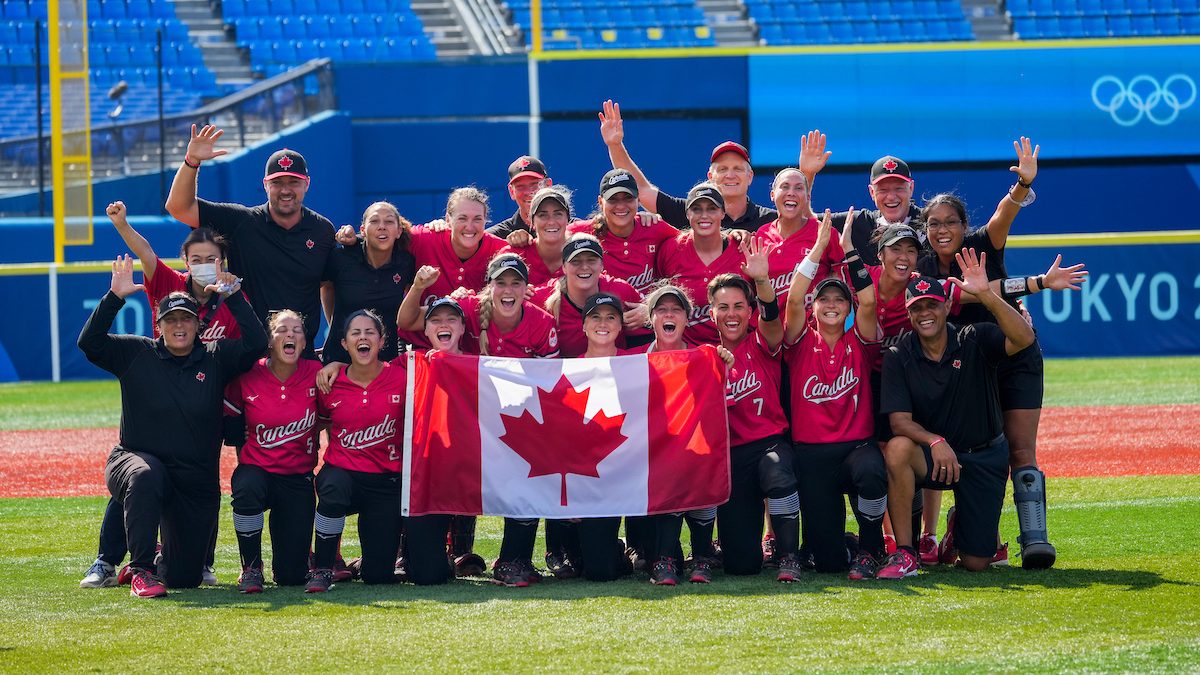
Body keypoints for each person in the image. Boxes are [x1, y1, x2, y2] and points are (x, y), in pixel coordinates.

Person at [78, 256, 265, 597]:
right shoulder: (137, 352)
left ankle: (158, 562)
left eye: (186, 320)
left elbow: (256, 344)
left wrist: (235, 295)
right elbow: (89, 343)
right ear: (158, 324)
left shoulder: (216, 356)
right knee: (146, 475)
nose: (179, 326)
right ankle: (141, 571)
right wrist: (114, 298)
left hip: (191, 479)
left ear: (198, 325)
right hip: (133, 460)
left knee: (184, 578)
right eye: (171, 320)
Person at [916, 138, 1058, 569]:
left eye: (950, 222)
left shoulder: (983, 242)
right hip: (970, 370)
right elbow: (959, 297)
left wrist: (1023, 186)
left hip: (1014, 357)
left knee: (1020, 451)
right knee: (974, 450)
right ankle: (979, 534)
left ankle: (1035, 538)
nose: (942, 230)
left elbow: (1004, 213)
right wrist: (1035, 284)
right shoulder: (923, 268)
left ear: (963, 224)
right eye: (934, 224)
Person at [876, 250, 1035, 578]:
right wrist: (934, 441)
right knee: (898, 448)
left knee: (976, 562)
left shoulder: (974, 337)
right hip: (936, 456)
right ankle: (906, 553)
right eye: (916, 308)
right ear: (908, 314)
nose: (925, 314)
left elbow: (1024, 338)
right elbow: (899, 422)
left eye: (932, 305)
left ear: (947, 306)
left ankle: (957, 526)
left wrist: (986, 295)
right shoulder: (899, 353)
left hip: (984, 455)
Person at [308, 309, 450, 591]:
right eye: (355, 333)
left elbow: (440, 358)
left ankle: (376, 561)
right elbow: (313, 422)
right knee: (332, 485)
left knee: (377, 576)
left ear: (382, 340)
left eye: (370, 332)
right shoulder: (330, 382)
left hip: (386, 482)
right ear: (344, 343)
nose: (363, 337)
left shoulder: (401, 375)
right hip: (344, 475)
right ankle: (323, 567)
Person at [164, 125, 335, 356]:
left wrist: (333, 336)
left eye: (293, 182)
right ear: (265, 185)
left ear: (307, 184)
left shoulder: (322, 230)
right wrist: (191, 161)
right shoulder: (241, 221)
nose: (285, 190)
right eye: (277, 183)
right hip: (250, 355)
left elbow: (327, 285)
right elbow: (178, 207)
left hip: (301, 356)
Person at [783, 210, 888, 580]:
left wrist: (848, 253)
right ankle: (843, 543)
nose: (831, 304)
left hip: (856, 447)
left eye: (838, 300)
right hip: (812, 454)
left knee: (873, 470)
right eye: (823, 300)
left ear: (847, 308)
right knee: (828, 563)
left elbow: (870, 302)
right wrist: (815, 253)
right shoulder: (799, 343)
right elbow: (793, 301)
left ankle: (872, 547)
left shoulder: (857, 342)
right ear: (814, 309)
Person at [223, 309, 321, 593]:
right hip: (259, 471)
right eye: (281, 330)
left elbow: (333, 414)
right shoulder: (248, 374)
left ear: (304, 343)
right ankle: (251, 567)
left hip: (298, 476)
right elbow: (228, 420)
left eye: (297, 331)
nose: (289, 334)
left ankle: (302, 558)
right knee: (246, 485)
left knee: (291, 577)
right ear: (269, 340)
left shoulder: (318, 374)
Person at [600, 99, 784, 232]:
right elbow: (640, 189)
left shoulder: (771, 221)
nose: (730, 175)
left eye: (737, 169)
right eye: (722, 169)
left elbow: (804, 224)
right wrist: (615, 145)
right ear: (710, 177)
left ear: (750, 176)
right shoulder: (690, 212)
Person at [655, 183, 756, 345]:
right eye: (697, 209)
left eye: (711, 209)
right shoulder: (671, 249)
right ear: (687, 213)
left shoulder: (742, 248)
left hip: (738, 351)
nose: (704, 215)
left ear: (723, 212)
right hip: (688, 352)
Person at [321, 201, 415, 365]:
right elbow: (327, 288)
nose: (382, 226)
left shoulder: (406, 263)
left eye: (389, 221)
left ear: (399, 231)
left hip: (386, 361)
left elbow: (410, 304)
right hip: (340, 359)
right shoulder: (341, 257)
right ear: (363, 230)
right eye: (374, 221)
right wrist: (336, 326)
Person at [566, 168, 679, 296]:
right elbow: (547, 242)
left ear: (639, 200)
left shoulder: (654, 227)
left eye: (628, 198)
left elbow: (691, 246)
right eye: (613, 199)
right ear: (600, 201)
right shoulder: (582, 233)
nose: (620, 206)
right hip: (600, 313)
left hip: (645, 313)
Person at [533, 235, 648, 357]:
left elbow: (663, 315)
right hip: (566, 373)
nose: (584, 267)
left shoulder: (620, 290)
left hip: (615, 370)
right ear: (564, 267)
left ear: (602, 266)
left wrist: (649, 315)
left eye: (591, 260)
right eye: (576, 261)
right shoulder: (543, 297)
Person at [753, 168, 844, 309]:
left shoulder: (824, 233)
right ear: (772, 195)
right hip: (771, 327)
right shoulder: (761, 235)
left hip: (812, 327)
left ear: (808, 197)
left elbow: (847, 283)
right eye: (784, 186)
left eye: (799, 188)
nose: (791, 193)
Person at [499, 186, 573, 285]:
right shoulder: (514, 256)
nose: (551, 222)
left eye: (558, 214)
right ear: (532, 222)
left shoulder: (582, 254)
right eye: (543, 215)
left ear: (567, 219)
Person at [487, 156, 551, 238]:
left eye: (534, 184)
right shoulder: (496, 238)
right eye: (520, 186)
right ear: (512, 191)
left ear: (548, 185)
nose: (528, 192)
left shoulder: (569, 229)